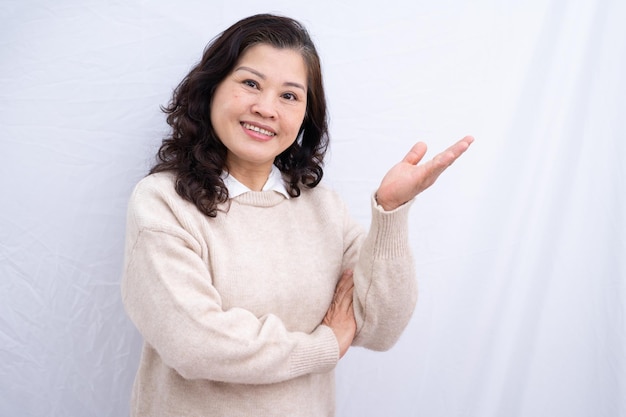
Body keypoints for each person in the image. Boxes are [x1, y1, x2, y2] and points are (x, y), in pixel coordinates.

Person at [121, 13, 473, 417]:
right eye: (250, 83)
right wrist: (328, 345)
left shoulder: (323, 208)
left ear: (306, 113)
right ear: (211, 88)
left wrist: (390, 213)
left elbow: (381, 326)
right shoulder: (162, 203)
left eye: (289, 95)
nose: (266, 108)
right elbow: (196, 343)